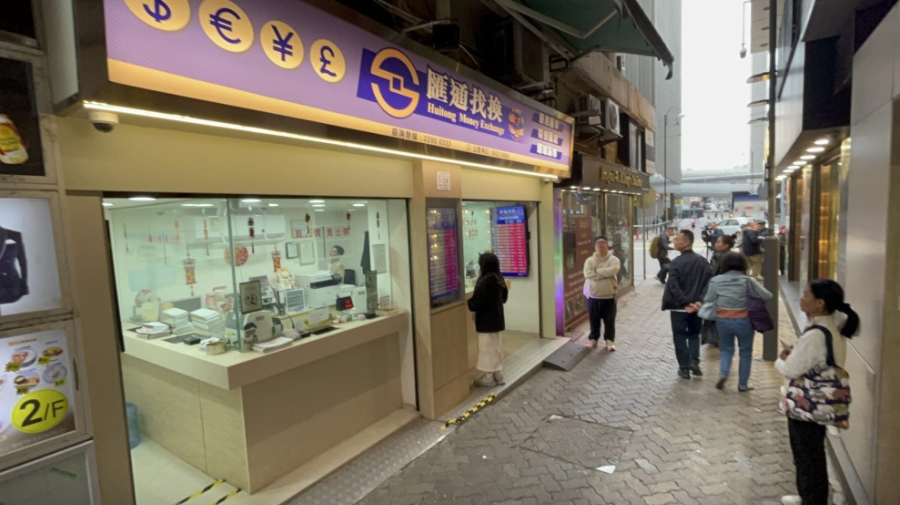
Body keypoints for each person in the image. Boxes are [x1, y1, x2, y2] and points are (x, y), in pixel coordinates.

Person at [776, 280, 860, 505]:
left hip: (806, 406)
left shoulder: (816, 334)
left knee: (806, 458)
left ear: (820, 303)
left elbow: (791, 369)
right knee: (812, 456)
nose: (801, 298)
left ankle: (812, 499)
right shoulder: (831, 326)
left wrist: (781, 360)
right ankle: (809, 496)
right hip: (819, 404)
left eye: (806, 294)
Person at [701, 253, 773, 391]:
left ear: (724, 265)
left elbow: (709, 299)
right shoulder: (748, 281)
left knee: (726, 349)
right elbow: (767, 296)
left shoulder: (716, 281)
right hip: (744, 320)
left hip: (722, 320)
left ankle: (723, 373)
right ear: (743, 265)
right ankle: (743, 384)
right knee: (745, 352)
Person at [662, 230, 713, 379]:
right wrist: (699, 301)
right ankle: (694, 361)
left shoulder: (676, 262)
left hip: (679, 307)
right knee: (694, 334)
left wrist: (685, 302)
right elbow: (708, 284)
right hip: (697, 307)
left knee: (679, 336)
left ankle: (684, 368)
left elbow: (673, 285)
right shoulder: (703, 262)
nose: (674, 241)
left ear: (686, 242)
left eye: (677, 239)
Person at [467, 252, 509, 387]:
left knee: (486, 349)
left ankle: (488, 378)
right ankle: (499, 375)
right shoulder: (499, 279)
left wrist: (469, 303)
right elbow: (504, 299)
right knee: (496, 347)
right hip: (498, 320)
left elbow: (476, 303)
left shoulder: (484, 282)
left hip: (485, 322)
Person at [583, 236, 620, 351]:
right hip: (593, 296)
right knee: (594, 319)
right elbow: (587, 274)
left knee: (610, 320)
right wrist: (604, 274)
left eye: (603, 242)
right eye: (598, 242)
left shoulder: (614, 260)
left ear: (608, 245)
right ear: (595, 246)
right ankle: (593, 339)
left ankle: (610, 341)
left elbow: (613, 271)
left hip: (609, 296)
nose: (601, 244)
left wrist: (596, 271)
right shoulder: (589, 260)